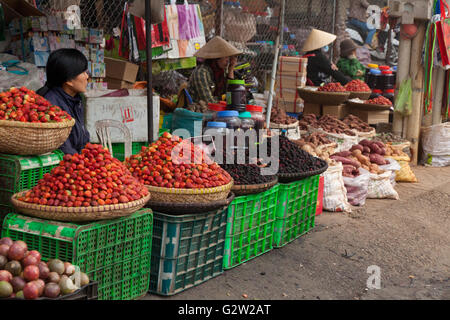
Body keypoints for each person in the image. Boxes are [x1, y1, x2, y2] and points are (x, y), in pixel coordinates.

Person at [36, 48, 90, 155]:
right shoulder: (51, 105)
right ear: (69, 80)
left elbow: (82, 138)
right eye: (83, 72)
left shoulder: (76, 99)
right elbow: (63, 148)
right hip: (64, 165)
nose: (87, 76)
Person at [188, 36, 242, 104]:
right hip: (198, 110)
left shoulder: (221, 72)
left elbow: (229, 95)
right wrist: (224, 102)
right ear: (216, 58)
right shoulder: (201, 73)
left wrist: (231, 69)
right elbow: (209, 102)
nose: (228, 60)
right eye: (225, 57)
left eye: (229, 57)